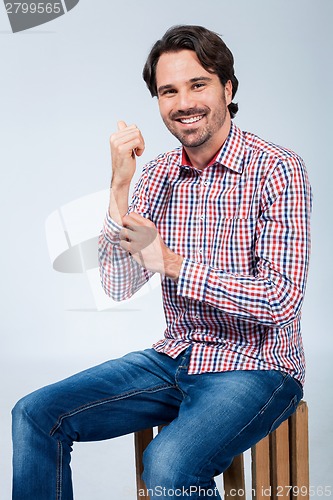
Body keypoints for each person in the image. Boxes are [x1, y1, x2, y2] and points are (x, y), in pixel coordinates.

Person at [12, 25, 312, 499]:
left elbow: (281, 300)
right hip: (175, 356)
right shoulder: (157, 175)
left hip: (256, 367)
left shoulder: (277, 169)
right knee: (35, 413)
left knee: (169, 465)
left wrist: (172, 264)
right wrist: (119, 187)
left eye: (198, 85)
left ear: (227, 89)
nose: (183, 102)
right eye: (168, 91)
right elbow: (116, 283)